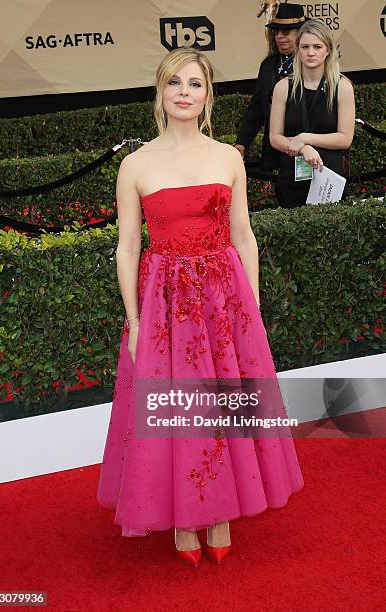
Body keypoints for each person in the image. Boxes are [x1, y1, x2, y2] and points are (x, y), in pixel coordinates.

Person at [97, 47, 304, 567]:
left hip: (222, 298)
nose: (184, 92)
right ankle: (187, 519)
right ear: (160, 93)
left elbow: (245, 239)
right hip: (165, 305)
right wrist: (135, 319)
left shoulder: (227, 157)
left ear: (208, 94)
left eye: (194, 83)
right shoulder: (136, 165)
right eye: (175, 83)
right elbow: (127, 247)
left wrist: (250, 307)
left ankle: (220, 511)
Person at [269, 19, 355, 208]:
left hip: (329, 179)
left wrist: (305, 138)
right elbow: (275, 137)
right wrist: (303, 148)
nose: (310, 52)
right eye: (305, 46)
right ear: (297, 50)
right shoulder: (283, 87)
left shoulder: (342, 87)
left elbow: (344, 138)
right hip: (291, 179)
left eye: (317, 46)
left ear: (328, 50)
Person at [235, 3, 307, 175]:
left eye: (286, 32)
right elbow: (257, 107)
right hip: (273, 151)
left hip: (305, 149)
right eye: (276, 32)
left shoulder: (310, 64)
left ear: (301, 33)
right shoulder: (268, 65)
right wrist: (241, 143)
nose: (280, 37)